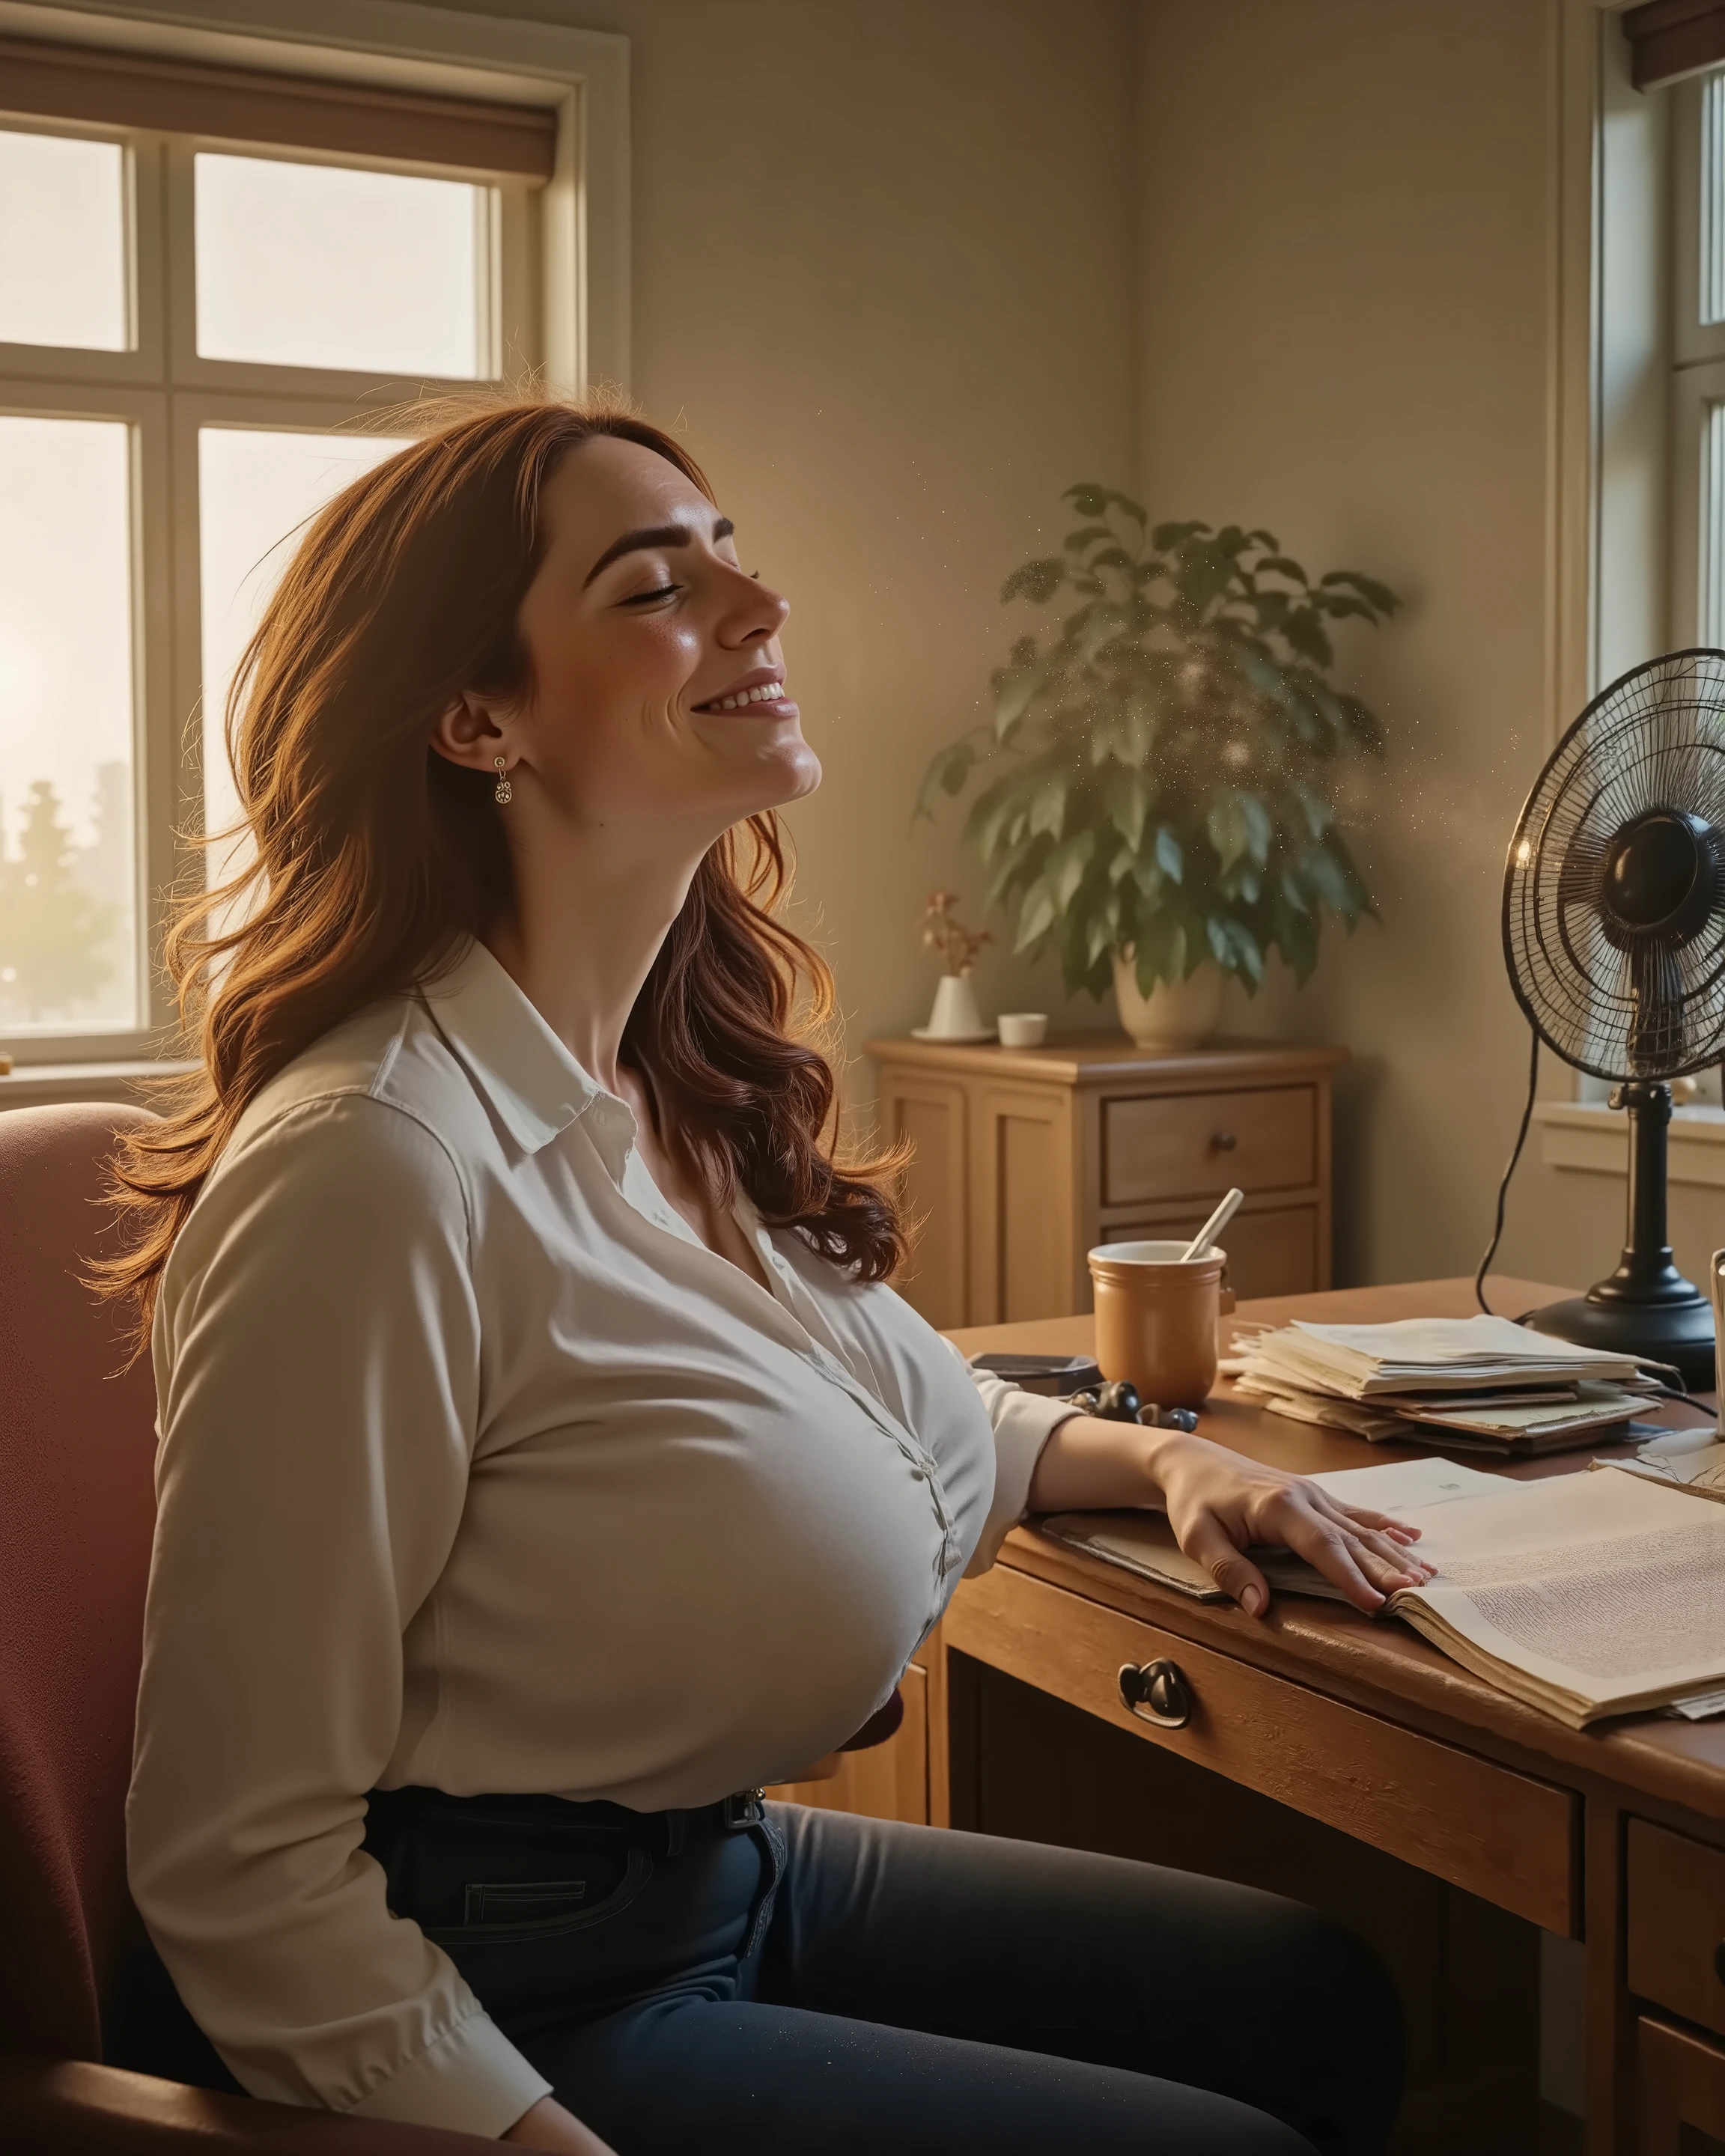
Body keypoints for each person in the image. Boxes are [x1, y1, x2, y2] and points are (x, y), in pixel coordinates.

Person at [102, 397, 1425, 2156]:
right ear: (476, 717)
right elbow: (235, 1859)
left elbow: (922, 1418)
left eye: (733, 555)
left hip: (715, 1874)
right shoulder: (375, 1167)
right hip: (497, 1985)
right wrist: (517, 2139)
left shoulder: (668, 1088)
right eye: (659, 585)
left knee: (1311, 1995)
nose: (757, 608)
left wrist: (1173, 1460)